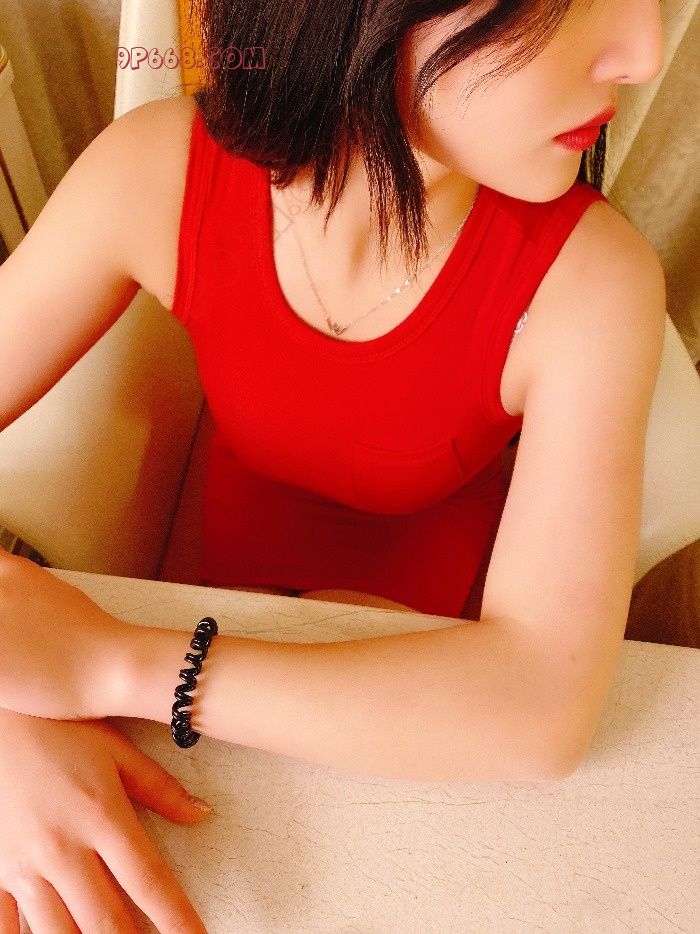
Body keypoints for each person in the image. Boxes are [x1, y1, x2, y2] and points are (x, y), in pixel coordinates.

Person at [0, 0, 666, 929]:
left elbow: (541, 708)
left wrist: (113, 668)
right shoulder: (161, 173)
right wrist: (14, 725)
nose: (644, 53)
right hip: (226, 680)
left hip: (431, 714)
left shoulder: (589, 283)